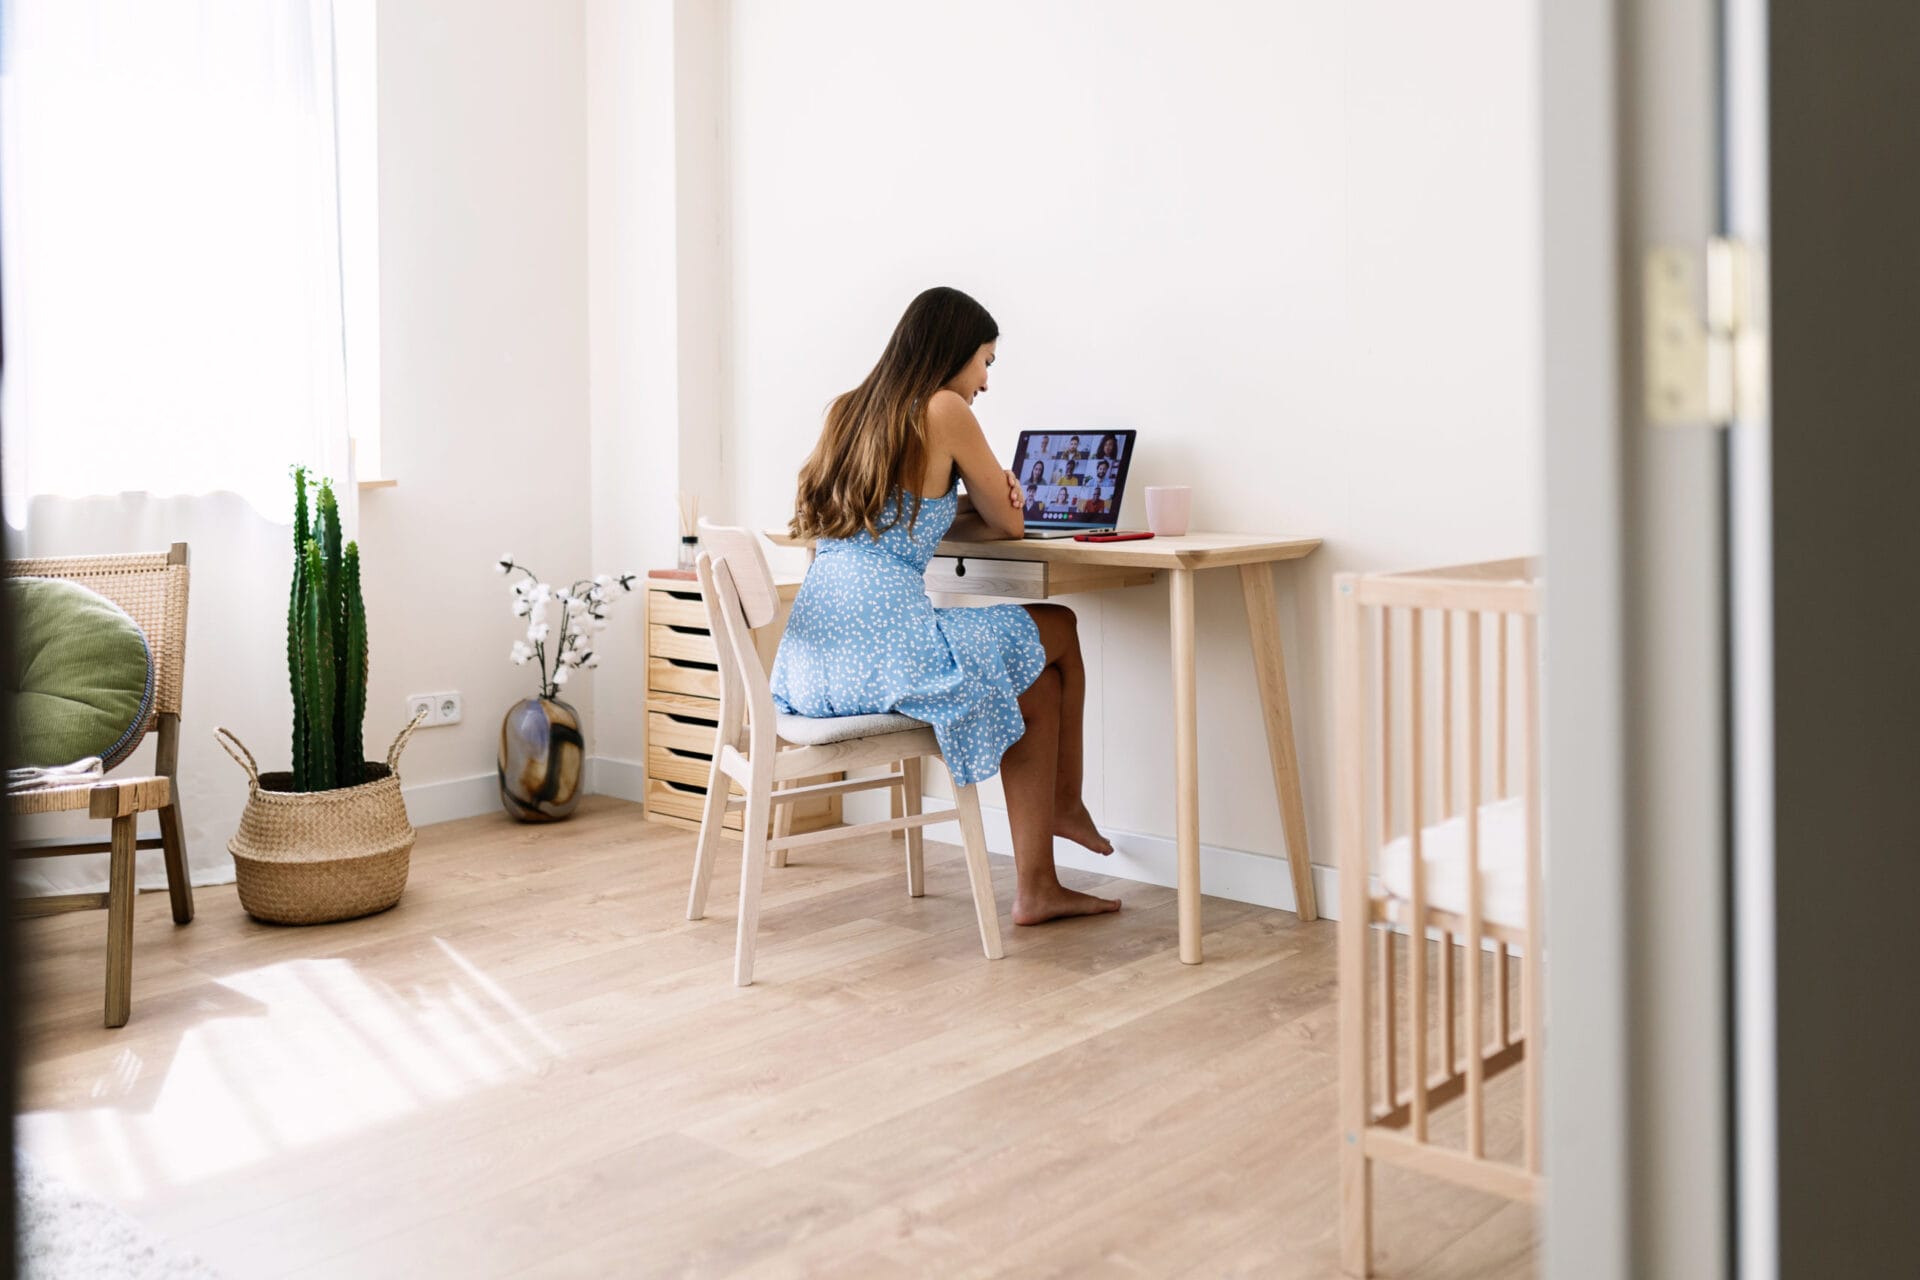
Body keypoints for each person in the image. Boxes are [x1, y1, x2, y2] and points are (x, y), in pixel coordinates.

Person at [776, 286, 1118, 924]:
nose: (985, 381)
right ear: (954, 352)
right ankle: (1066, 803)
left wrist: (966, 504)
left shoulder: (849, 411)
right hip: (888, 655)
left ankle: (1037, 889)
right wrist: (1004, 495)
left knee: (1037, 688)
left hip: (814, 667)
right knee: (1061, 626)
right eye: (985, 360)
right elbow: (1011, 526)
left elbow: (896, 515)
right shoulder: (943, 407)